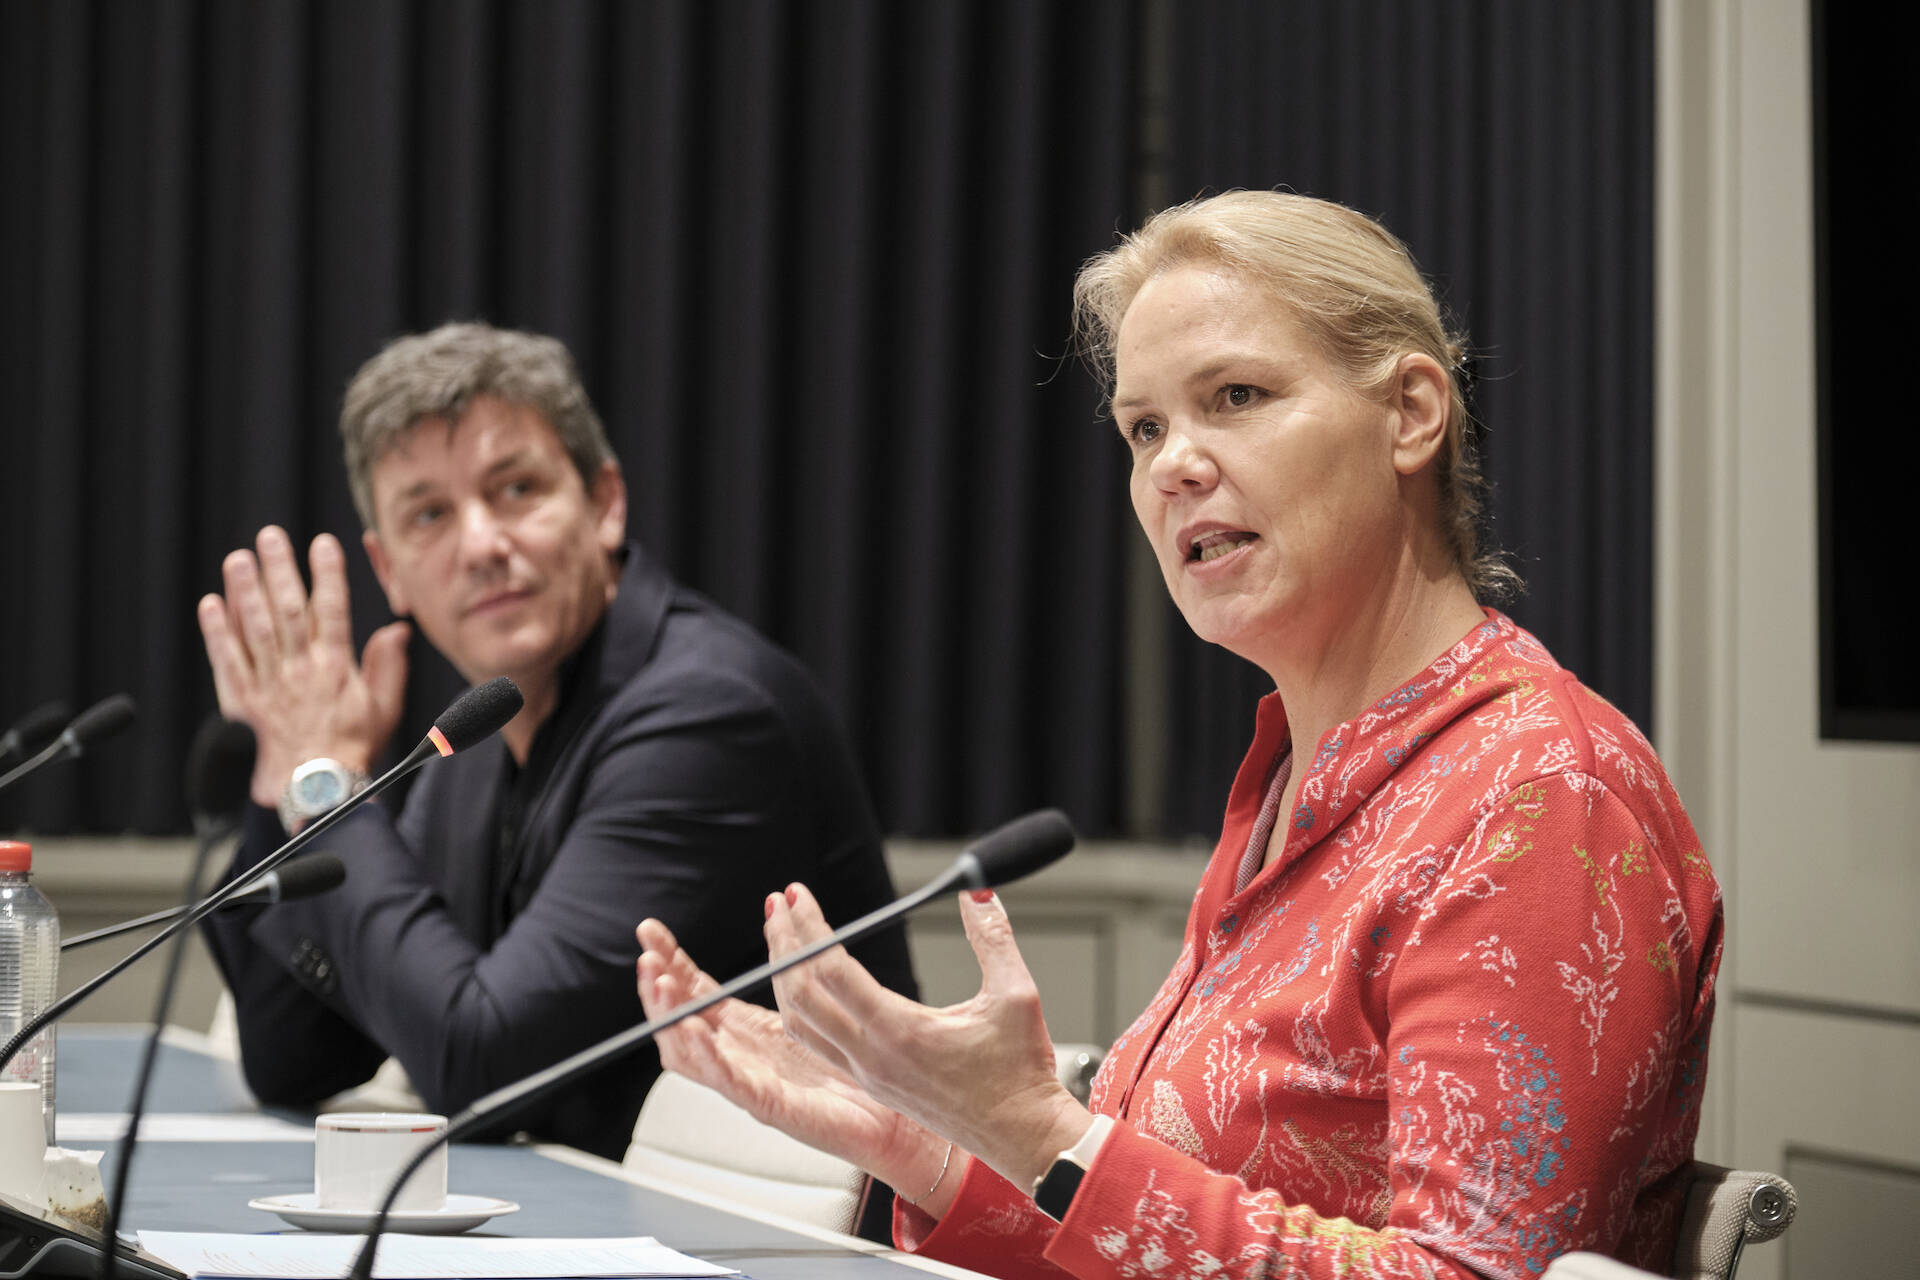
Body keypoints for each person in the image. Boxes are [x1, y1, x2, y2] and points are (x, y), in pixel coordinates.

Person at [635, 192, 1721, 1278]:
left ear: (1412, 413)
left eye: (1235, 396)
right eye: (1144, 427)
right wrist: (907, 1134)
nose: (1171, 466)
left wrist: (1037, 1130)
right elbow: (1147, 1244)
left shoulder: (1539, 794)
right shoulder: (1295, 776)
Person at [197, 322, 916, 1161]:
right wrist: (286, 772)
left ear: (605, 503)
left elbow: (483, 1066)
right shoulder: (476, 742)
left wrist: (326, 786)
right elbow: (295, 1056)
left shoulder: (709, 717)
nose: (482, 545)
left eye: (516, 489)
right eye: (429, 514)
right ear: (389, 571)